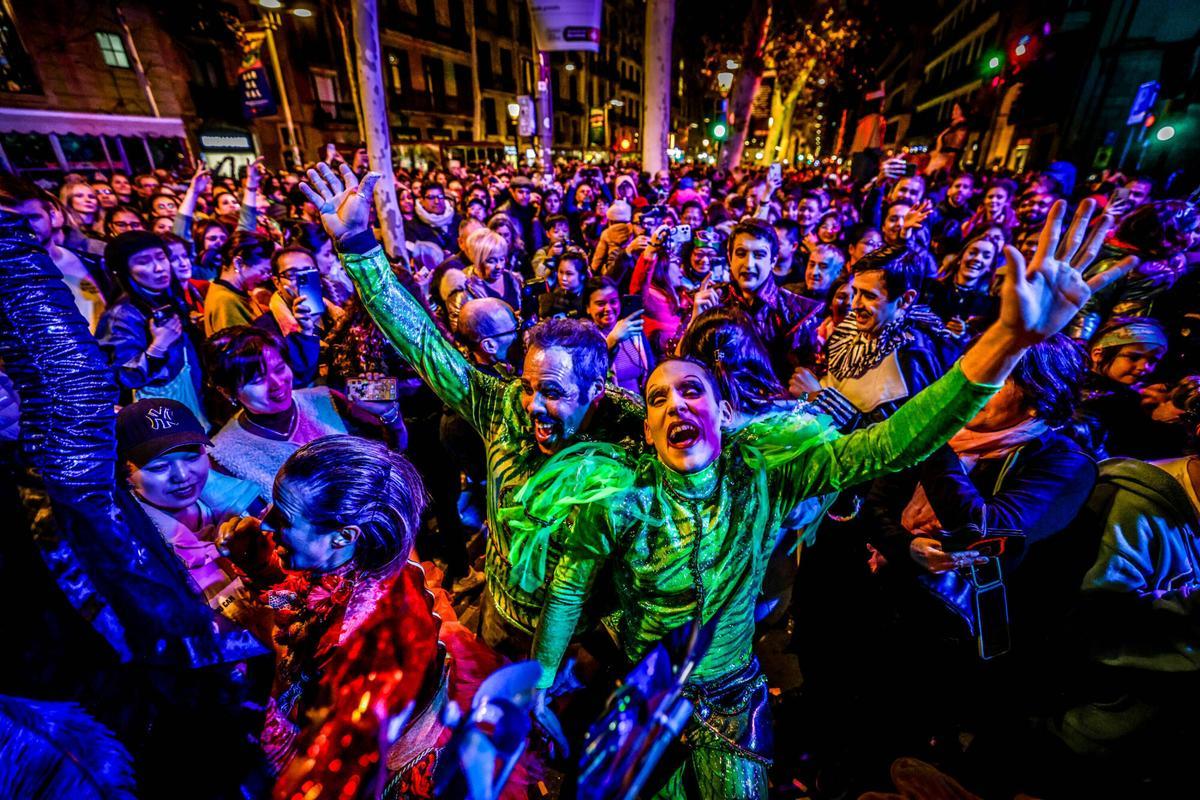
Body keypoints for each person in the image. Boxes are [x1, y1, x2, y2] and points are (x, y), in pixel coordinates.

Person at [509, 193, 1097, 798]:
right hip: (644, 691)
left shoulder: (767, 476)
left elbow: (893, 443)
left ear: (721, 413)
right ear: (648, 429)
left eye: (692, 391)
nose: (675, 404)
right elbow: (567, 591)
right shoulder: (617, 499)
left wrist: (1004, 339)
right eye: (657, 399)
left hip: (732, 701)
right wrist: (541, 681)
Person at [299, 163, 644, 657]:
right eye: (526, 385)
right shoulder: (502, 406)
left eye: (551, 391)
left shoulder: (631, 439)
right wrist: (359, 247)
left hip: (586, 638)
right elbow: (423, 344)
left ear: (595, 389)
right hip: (500, 618)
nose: (532, 405)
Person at [216, 436, 517, 796]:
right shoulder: (363, 559)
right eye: (271, 507)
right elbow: (299, 604)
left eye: (284, 517)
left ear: (344, 535)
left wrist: (254, 697)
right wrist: (259, 563)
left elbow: (322, 770)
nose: (264, 523)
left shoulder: (367, 645)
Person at [206, 326, 405, 496]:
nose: (277, 384)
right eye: (258, 380)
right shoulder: (223, 455)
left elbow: (394, 456)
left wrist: (388, 415)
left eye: (279, 368)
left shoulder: (325, 398)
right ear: (227, 391)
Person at [116, 398, 265, 624]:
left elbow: (286, 600)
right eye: (159, 467)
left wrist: (265, 564)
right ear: (126, 475)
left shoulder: (246, 506)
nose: (183, 476)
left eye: (192, 457)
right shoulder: (139, 557)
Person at [95, 231, 210, 428]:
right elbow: (119, 377)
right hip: (156, 414)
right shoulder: (122, 315)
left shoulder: (168, 297)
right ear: (123, 271)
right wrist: (158, 346)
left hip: (187, 397)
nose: (159, 268)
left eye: (161, 257)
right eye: (144, 262)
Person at [690, 219, 822, 384]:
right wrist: (696, 322)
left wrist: (799, 402)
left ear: (773, 260)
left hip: (777, 407)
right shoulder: (715, 300)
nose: (749, 264)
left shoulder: (797, 312)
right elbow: (690, 363)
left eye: (759, 255)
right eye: (741, 253)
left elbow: (807, 384)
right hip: (721, 403)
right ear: (730, 258)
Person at [0, 174, 113, 331]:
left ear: (52, 216)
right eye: (9, 220)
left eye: (32, 217)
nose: (22, 226)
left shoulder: (95, 263)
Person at [1079, 316, 1170, 458]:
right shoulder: (1114, 401)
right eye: (1133, 357)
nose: (1144, 367)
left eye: (1153, 360)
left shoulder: (1129, 395)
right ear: (1098, 354)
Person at [925, 231, 1001, 340]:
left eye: (986, 256)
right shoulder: (931, 288)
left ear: (990, 267)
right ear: (960, 259)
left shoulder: (990, 305)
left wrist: (967, 331)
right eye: (973, 252)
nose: (978, 258)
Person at [584, 275, 652, 394]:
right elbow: (590, 376)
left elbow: (651, 368)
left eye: (613, 302)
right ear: (588, 308)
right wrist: (612, 340)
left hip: (641, 404)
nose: (608, 308)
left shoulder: (632, 329)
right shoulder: (584, 337)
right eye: (600, 303)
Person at [204, 232, 275, 336]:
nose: (266, 277)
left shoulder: (239, 293)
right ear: (238, 263)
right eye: (263, 271)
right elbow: (243, 347)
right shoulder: (225, 301)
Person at [465, 226, 524, 312]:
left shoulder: (513, 279)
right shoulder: (466, 288)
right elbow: (461, 324)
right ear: (477, 261)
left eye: (502, 259)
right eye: (491, 261)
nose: (499, 266)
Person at [407, 180, 460, 253]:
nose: (437, 201)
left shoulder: (458, 219)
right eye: (431, 197)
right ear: (421, 200)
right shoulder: (412, 227)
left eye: (440, 196)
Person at [538, 248, 588, 319]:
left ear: (582, 275)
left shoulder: (590, 297)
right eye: (561, 272)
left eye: (569, 274)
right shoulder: (556, 296)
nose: (563, 278)